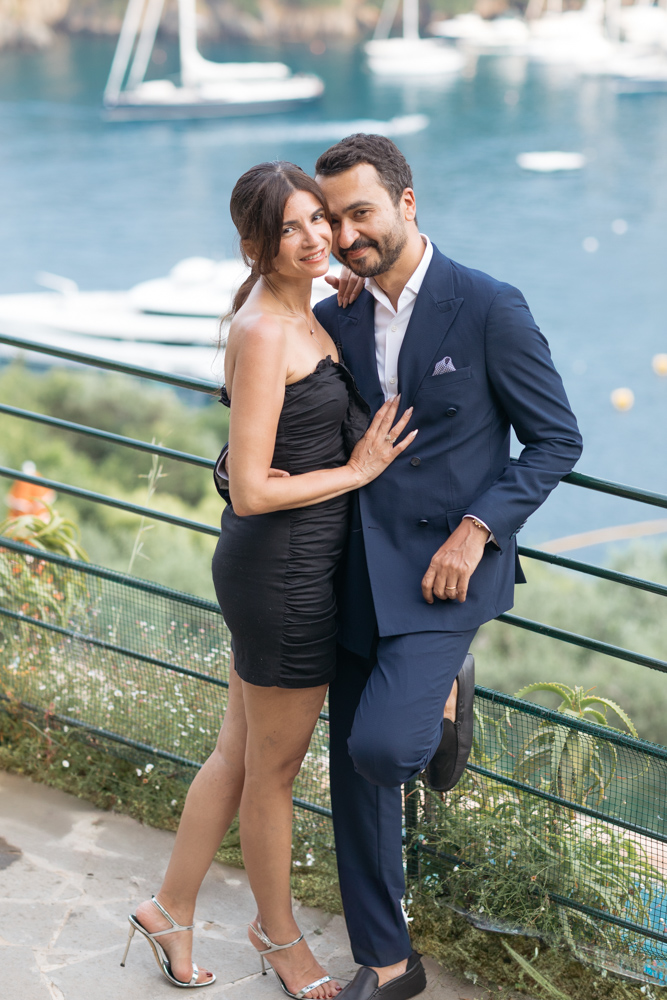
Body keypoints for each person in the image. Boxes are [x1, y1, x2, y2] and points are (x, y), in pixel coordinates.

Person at [123, 161, 417, 996]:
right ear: (255, 244)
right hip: (281, 575)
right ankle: (277, 935)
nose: (315, 237)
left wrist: (344, 306)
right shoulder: (263, 331)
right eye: (291, 228)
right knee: (272, 774)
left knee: (237, 752)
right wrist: (358, 472)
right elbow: (252, 489)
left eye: (318, 220)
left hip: (286, 570)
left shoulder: (311, 313)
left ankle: (168, 909)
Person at [304, 134, 584, 1000]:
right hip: (354, 565)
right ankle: (388, 962)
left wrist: (477, 529)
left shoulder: (489, 305)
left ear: (406, 202)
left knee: (386, 746)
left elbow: (555, 439)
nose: (347, 234)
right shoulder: (334, 315)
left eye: (361, 212)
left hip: (444, 570)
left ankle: (447, 687)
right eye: (333, 218)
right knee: (353, 765)